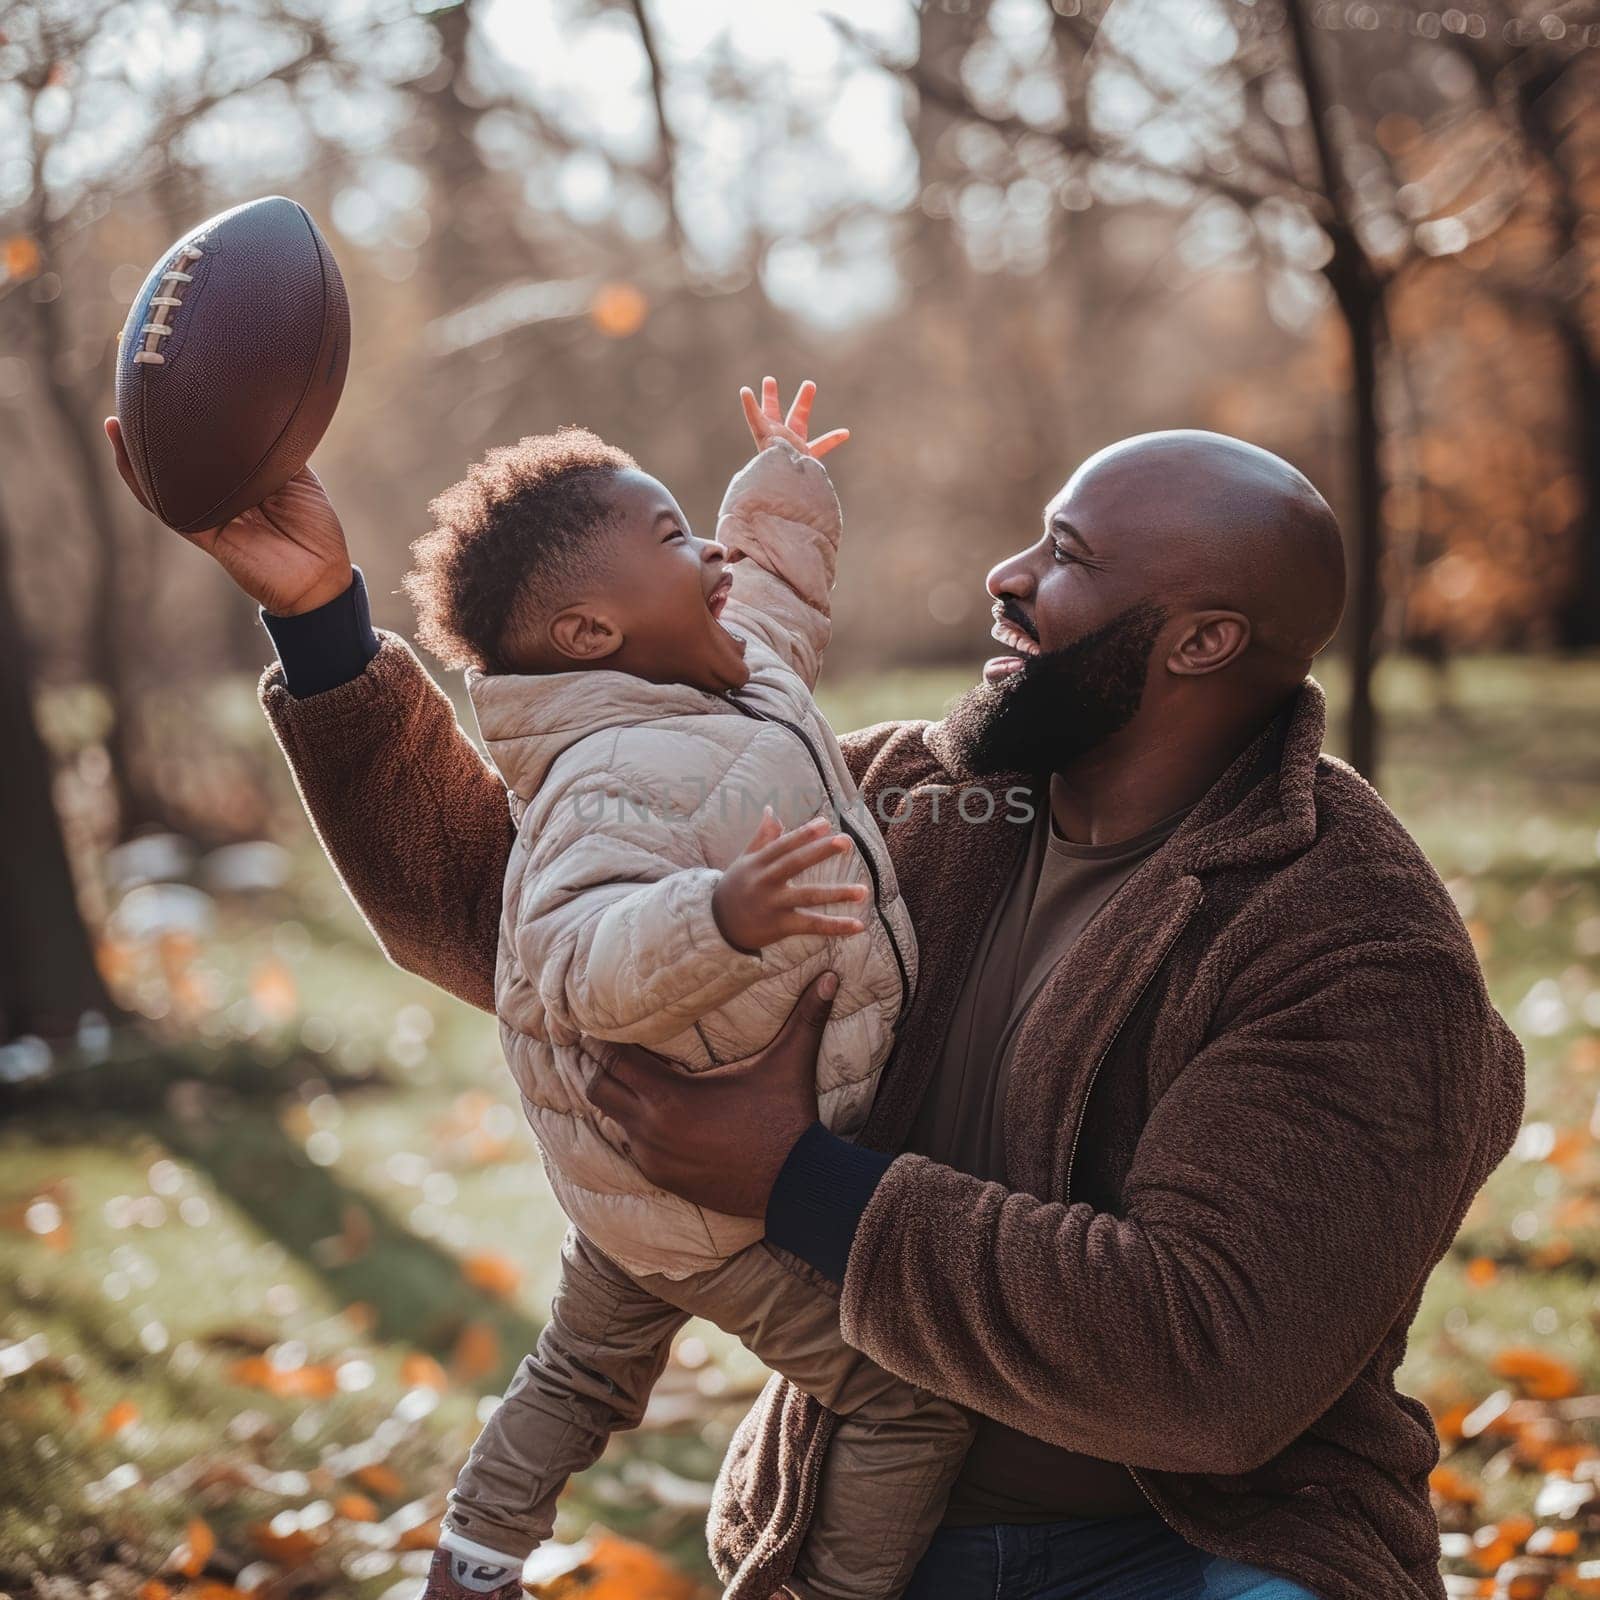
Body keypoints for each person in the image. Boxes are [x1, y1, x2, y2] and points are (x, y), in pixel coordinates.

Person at [104, 415, 1525, 1600]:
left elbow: (1211, 1363)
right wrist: (323, 625)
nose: (1004, 576)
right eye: (1035, 534)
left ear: (1203, 644)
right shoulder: (912, 800)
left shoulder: (1348, 940)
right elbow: (532, 928)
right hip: (870, 1528)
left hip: (1211, 1550)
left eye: (1068, 561)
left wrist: (799, 1184)